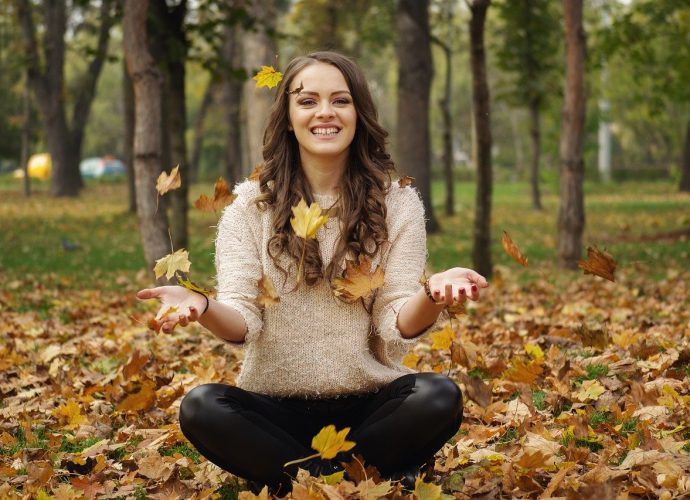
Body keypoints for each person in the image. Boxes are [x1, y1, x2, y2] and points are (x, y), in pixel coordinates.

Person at [137, 51, 488, 494]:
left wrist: (432, 294)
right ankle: (356, 479)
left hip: (369, 408)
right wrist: (204, 306)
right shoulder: (248, 207)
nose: (325, 112)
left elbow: (397, 320)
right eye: (307, 101)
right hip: (276, 415)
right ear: (287, 116)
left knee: (439, 396)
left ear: (358, 113)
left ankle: (305, 483)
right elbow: (242, 321)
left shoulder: (397, 204)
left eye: (340, 100)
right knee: (202, 406)